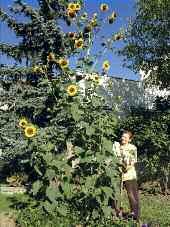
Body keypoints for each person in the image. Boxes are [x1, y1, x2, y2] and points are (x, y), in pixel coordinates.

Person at [112, 130, 140, 221]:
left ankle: (135, 215)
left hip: (129, 175)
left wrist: (124, 167)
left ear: (130, 139)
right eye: (122, 136)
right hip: (117, 175)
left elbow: (132, 162)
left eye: (125, 137)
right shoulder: (116, 146)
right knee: (116, 194)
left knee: (132, 195)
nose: (123, 138)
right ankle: (116, 213)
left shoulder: (132, 148)